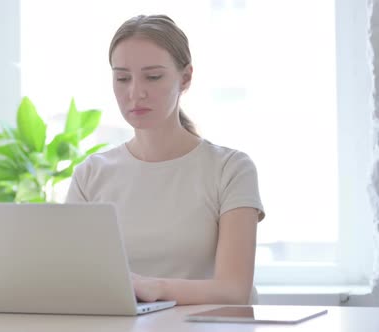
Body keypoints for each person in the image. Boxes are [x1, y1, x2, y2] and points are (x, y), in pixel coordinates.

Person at [66, 14, 265, 305]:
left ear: (185, 78)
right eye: (122, 78)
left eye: (153, 77)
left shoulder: (230, 169)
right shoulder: (91, 175)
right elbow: (70, 278)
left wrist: (154, 288)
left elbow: (234, 290)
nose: (135, 92)